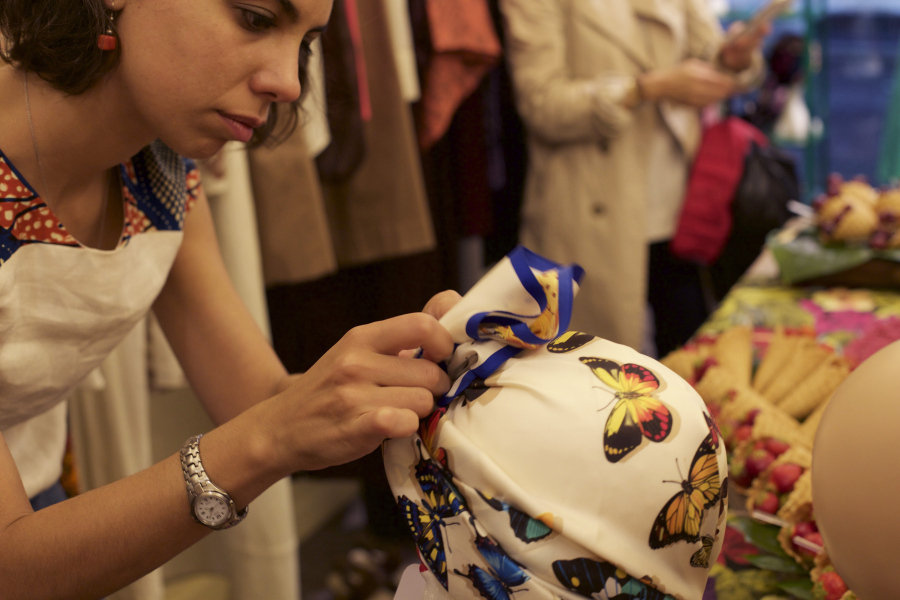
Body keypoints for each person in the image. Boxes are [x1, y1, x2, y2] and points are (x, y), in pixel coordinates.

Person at [0, 0, 459, 597]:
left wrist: (427, 383)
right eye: (256, 18)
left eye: (306, 43)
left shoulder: (156, 166)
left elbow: (258, 396)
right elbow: (11, 566)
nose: (290, 84)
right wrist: (270, 438)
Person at [497, 0, 771, 357]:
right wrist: (644, 89)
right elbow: (542, 105)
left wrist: (732, 59)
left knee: (693, 362)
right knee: (599, 370)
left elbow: (708, 55)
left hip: (681, 210)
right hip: (590, 212)